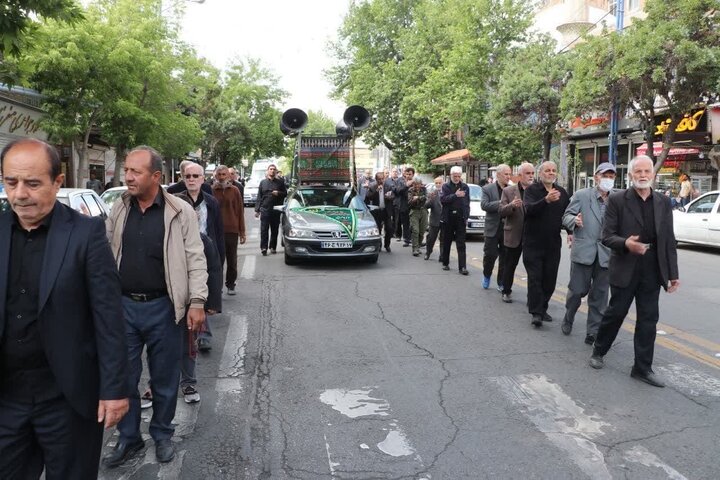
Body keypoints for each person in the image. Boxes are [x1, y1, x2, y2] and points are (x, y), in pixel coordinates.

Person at [0, 139, 129, 479]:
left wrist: (115, 389)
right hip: (6, 399)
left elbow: (109, 316)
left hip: (67, 398)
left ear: (58, 182)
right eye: (11, 182)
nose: (20, 194)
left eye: (32, 183)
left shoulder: (85, 234)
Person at [103, 145, 208, 467]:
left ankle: (162, 434)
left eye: (135, 172)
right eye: (127, 171)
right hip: (124, 308)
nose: (128, 177)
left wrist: (197, 301)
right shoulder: (119, 209)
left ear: (157, 176)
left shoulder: (180, 212)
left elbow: (195, 258)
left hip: (165, 308)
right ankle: (129, 437)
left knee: (163, 379)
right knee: (125, 376)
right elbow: (105, 252)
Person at [589, 155, 680, 388]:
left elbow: (669, 240)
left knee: (648, 319)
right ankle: (599, 351)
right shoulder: (618, 201)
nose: (642, 175)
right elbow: (606, 236)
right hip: (626, 266)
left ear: (653, 174)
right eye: (637, 172)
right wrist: (626, 243)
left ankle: (642, 368)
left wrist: (673, 274)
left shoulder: (662, 202)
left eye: (646, 171)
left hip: (652, 268)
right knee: (616, 313)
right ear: (630, 176)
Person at [174, 194, 222, 404]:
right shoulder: (159, 237)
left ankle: (188, 383)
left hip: (189, 303)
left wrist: (211, 303)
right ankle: (153, 386)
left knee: (188, 347)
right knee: (158, 349)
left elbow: (213, 270)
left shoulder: (202, 240)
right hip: (162, 303)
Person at [561, 162, 616, 345]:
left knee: (600, 297)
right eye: (604, 175)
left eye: (611, 176)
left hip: (606, 255)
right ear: (596, 176)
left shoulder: (617, 199)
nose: (608, 179)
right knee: (577, 291)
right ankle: (569, 317)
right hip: (583, 252)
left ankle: (592, 332)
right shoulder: (582, 195)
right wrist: (573, 220)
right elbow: (566, 216)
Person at [177, 162, 224, 351]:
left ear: (203, 179)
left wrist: (220, 261)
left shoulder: (211, 202)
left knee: (201, 292)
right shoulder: (175, 200)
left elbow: (218, 233)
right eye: (188, 176)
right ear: (183, 178)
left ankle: (203, 333)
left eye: (195, 176)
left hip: (206, 254)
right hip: (180, 254)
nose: (191, 180)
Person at [522, 161, 570, 327]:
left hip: (553, 244)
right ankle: (536, 313)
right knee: (535, 278)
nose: (551, 173)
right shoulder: (531, 190)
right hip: (533, 243)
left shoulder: (562, 193)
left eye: (553, 170)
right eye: (547, 170)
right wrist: (545, 200)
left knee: (549, 280)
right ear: (540, 173)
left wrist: (571, 232)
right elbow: (528, 210)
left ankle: (543, 307)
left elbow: (567, 216)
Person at [498, 162, 535, 303]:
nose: (531, 176)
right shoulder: (509, 191)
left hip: (532, 236)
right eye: (527, 173)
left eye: (532, 173)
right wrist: (512, 206)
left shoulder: (537, 191)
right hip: (514, 235)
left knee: (533, 269)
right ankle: (506, 291)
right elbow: (501, 211)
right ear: (520, 175)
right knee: (510, 265)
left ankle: (532, 298)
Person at [213, 165, 246, 295]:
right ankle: (218, 286)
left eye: (223, 174)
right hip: (216, 231)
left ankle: (231, 284)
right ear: (215, 176)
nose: (221, 177)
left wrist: (242, 232)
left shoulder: (235, 191)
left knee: (232, 260)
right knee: (217, 261)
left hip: (232, 230)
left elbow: (240, 212)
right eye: (219, 174)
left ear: (228, 175)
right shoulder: (211, 191)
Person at [481, 164, 512, 291]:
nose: (508, 176)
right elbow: (484, 205)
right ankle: (487, 275)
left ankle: (501, 282)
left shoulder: (512, 189)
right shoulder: (487, 189)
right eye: (506, 174)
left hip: (507, 228)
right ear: (498, 175)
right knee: (490, 255)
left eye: (509, 174)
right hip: (492, 227)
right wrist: (501, 202)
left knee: (505, 257)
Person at [440, 166, 471, 275]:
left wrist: (466, 216)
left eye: (459, 176)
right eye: (455, 176)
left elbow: (467, 203)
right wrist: (455, 195)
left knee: (461, 243)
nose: (457, 178)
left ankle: (462, 267)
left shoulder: (465, 186)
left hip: (460, 218)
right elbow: (443, 200)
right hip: (448, 218)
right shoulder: (445, 186)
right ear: (450, 175)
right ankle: (445, 262)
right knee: (447, 241)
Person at [255, 163, 287, 256]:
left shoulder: (280, 182)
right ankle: (263, 247)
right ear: (268, 171)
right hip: (265, 209)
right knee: (264, 229)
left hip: (276, 209)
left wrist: (278, 193)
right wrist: (257, 210)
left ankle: (273, 247)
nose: (272, 171)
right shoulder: (263, 182)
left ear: (276, 171)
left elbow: (285, 193)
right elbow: (259, 196)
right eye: (271, 169)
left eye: (274, 169)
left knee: (275, 229)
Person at [365, 171, 393, 252]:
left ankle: (387, 245)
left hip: (386, 210)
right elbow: (369, 197)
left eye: (382, 179)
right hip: (377, 211)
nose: (381, 181)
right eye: (379, 179)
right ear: (376, 179)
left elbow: (393, 196)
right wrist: (376, 190)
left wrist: (389, 197)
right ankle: (379, 245)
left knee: (389, 228)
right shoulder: (372, 186)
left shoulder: (388, 186)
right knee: (378, 229)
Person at [407, 176, 428, 257]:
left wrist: (418, 197)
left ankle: (418, 246)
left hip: (423, 210)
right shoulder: (410, 190)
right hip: (414, 211)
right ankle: (415, 248)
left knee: (422, 231)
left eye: (418, 184)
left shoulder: (424, 189)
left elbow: (426, 197)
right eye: (415, 184)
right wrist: (414, 200)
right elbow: (409, 202)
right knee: (415, 230)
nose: (417, 186)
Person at [393, 167, 414, 247]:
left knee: (414, 224)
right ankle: (407, 239)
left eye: (410, 174)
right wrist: (406, 185)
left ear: (413, 175)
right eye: (407, 174)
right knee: (405, 223)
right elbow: (397, 191)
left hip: (413, 206)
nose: (408, 176)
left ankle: (415, 240)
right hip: (403, 205)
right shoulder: (400, 181)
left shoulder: (416, 182)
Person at [424, 176, 444, 261]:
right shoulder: (432, 193)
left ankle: (442, 256)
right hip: (434, 220)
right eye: (436, 183)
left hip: (444, 220)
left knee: (443, 239)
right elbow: (426, 206)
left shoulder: (447, 192)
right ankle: (428, 252)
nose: (438, 185)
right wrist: (430, 199)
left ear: (443, 183)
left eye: (440, 183)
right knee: (431, 238)